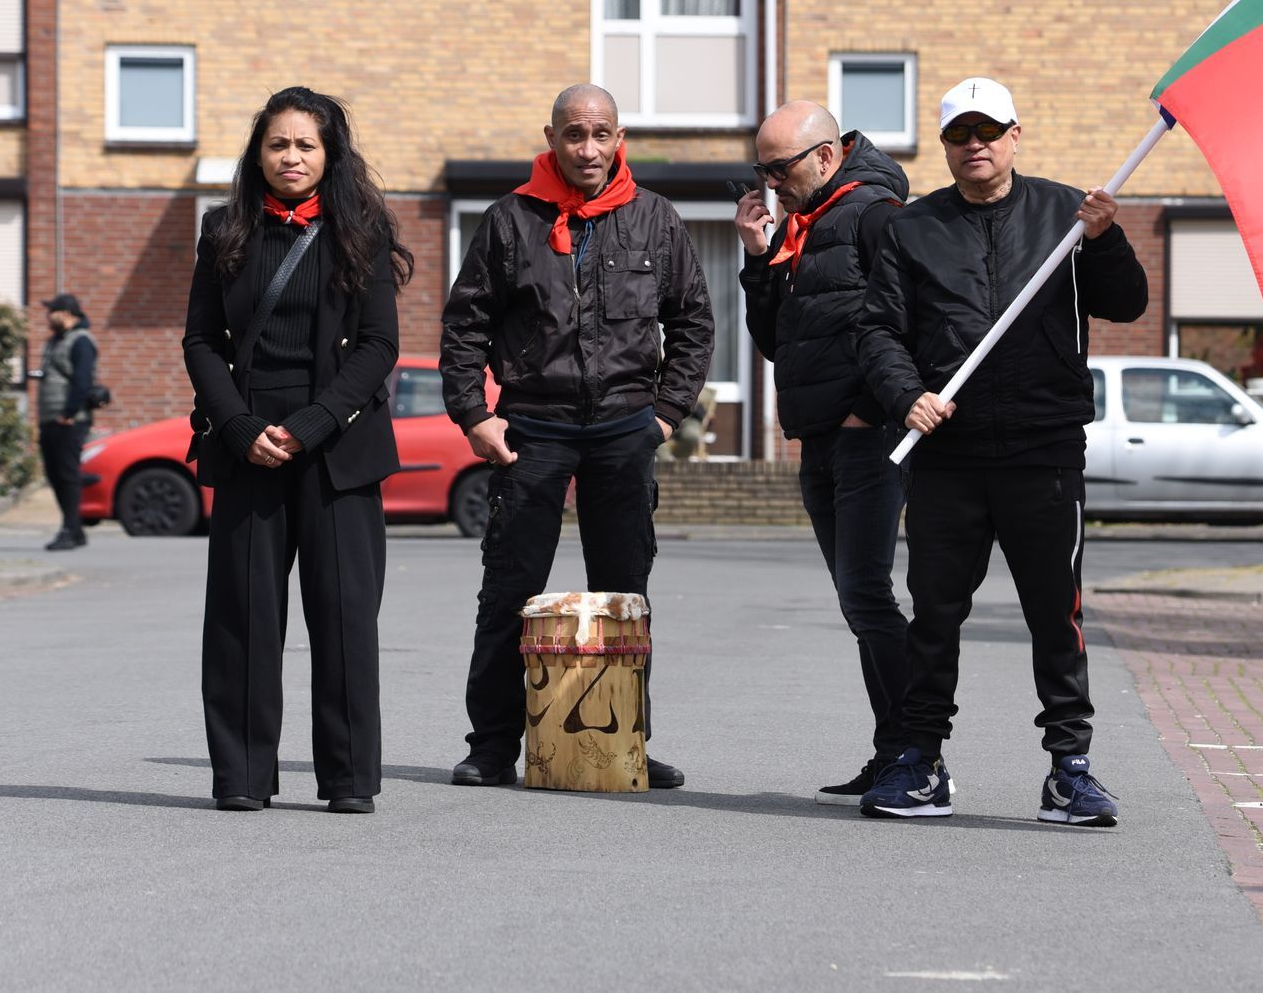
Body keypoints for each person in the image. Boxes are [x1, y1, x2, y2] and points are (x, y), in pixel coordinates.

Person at [856, 76, 1148, 826]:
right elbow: (879, 330)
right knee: (935, 615)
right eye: (960, 134)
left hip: (1044, 450)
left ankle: (1070, 770)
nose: (975, 144)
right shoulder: (910, 228)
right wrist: (904, 395)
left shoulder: (1066, 214)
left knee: (1057, 614)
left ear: (1017, 135)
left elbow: (1128, 303)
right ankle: (921, 763)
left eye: (990, 130)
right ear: (947, 145)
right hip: (949, 454)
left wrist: (1107, 238)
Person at [441, 84, 713, 790]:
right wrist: (474, 414)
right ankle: (493, 746)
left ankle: (627, 743)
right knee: (511, 589)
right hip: (532, 425)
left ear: (619, 137)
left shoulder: (656, 219)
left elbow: (692, 324)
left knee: (625, 595)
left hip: (626, 425)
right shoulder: (509, 221)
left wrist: (663, 414)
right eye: (573, 135)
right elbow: (464, 326)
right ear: (551, 137)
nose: (587, 149)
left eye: (600, 135)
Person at [182, 86, 412, 814]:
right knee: (243, 622)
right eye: (277, 144)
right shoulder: (224, 230)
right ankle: (242, 779)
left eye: (305, 144)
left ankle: (347, 781)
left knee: (344, 618)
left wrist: (313, 423)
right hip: (248, 442)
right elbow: (200, 340)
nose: (291, 156)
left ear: (328, 154)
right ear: (258, 153)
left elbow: (380, 346)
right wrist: (240, 427)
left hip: (337, 444)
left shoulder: (363, 230)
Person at [737, 101, 911, 804]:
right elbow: (780, 342)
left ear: (827, 156)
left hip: (866, 440)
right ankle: (894, 746)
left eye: (780, 168)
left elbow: (911, 320)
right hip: (820, 441)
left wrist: (869, 409)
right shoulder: (803, 228)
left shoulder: (875, 215)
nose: (771, 182)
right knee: (857, 600)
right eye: (763, 169)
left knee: (867, 594)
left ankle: (914, 751)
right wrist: (758, 261)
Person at [36, 294, 97, 551]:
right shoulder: (54, 341)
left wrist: (70, 412)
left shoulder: (81, 341)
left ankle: (70, 529)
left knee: (68, 474)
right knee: (54, 474)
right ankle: (75, 528)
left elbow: (83, 380)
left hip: (70, 420)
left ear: (67, 313)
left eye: (52, 311)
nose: (48, 316)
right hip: (50, 418)